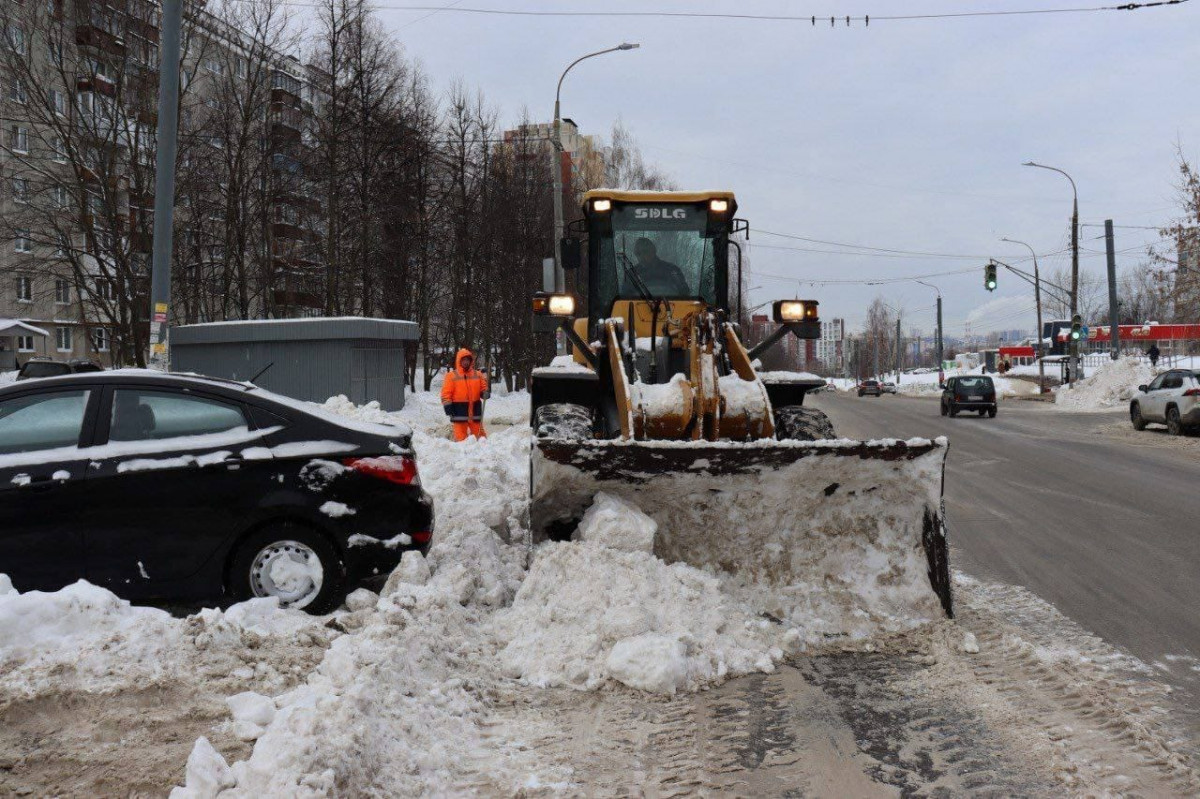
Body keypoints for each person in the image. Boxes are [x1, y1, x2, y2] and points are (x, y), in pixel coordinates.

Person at [441, 348, 489, 441]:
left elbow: (484, 388)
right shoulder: (451, 376)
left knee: (481, 438)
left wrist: (485, 393)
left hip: (475, 411)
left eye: (468, 360)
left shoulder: (478, 374)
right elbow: (446, 393)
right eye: (463, 360)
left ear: (471, 361)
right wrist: (448, 407)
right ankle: (462, 454)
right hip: (459, 411)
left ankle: (482, 454)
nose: (466, 362)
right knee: (461, 439)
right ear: (459, 361)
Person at [622, 237, 691, 297]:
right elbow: (624, 299)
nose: (641, 256)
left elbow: (684, 293)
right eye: (638, 253)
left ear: (653, 251)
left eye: (645, 251)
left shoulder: (671, 270)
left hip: (672, 309)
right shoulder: (631, 275)